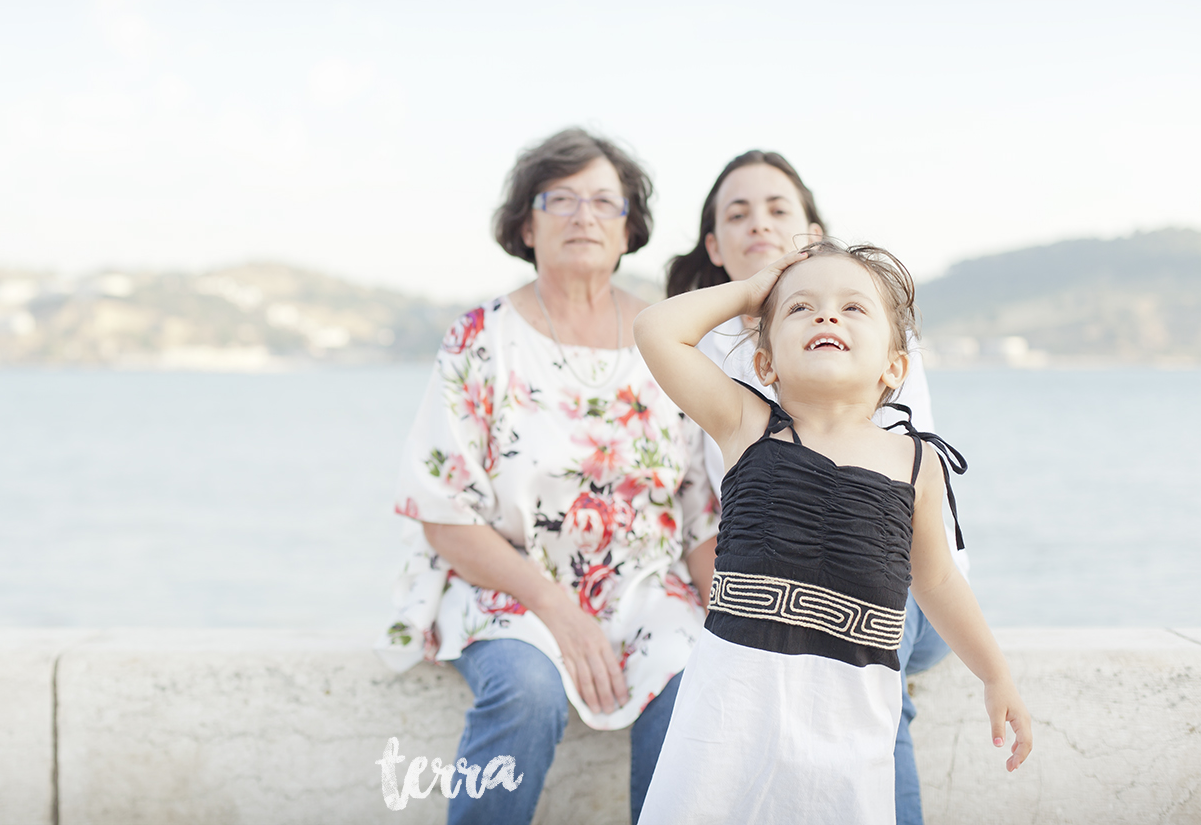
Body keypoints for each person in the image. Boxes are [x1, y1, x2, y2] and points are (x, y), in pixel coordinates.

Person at [376, 128, 720, 825]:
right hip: (509, 585)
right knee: (526, 689)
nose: (583, 215)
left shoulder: (667, 338)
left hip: (649, 588)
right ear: (525, 224)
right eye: (558, 198)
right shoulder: (481, 339)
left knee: (702, 685)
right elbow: (443, 512)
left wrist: (731, 619)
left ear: (630, 228)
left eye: (604, 201)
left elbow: (698, 508)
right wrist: (560, 611)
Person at [632, 240, 1032, 823]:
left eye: (853, 307)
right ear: (765, 364)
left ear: (894, 366)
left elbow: (938, 580)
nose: (826, 316)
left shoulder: (916, 465)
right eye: (799, 308)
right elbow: (657, 330)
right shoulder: (745, 424)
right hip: (728, 717)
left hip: (847, 723)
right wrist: (752, 290)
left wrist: (996, 675)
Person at [664, 151, 954, 824]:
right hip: (776, 577)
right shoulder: (712, 358)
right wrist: (753, 291)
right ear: (715, 244)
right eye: (737, 214)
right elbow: (698, 498)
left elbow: (904, 538)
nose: (758, 223)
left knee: (869, 682)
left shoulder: (861, 338)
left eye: (778, 209)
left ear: (813, 230)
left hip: (895, 586)